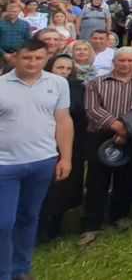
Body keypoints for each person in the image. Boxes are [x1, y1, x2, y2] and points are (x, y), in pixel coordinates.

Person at [0, 40, 72, 279]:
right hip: (5, 165)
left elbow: (63, 121)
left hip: (43, 161)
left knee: (29, 216)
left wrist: (66, 158)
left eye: (38, 58)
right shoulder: (1, 85)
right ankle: (4, 271)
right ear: (16, 57)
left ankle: (22, 267)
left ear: (46, 58)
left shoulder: (58, 83)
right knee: (4, 222)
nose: (32, 63)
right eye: (26, 58)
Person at [79, 47, 132, 247]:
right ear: (114, 62)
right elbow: (92, 109)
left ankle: (119, 215)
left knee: (126, 178)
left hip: (131, 135)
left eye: (130, 61)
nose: (125, 64)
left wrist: (127, 131)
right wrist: (118, 127)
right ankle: (91, 225)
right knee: (96, 182)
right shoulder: (97, 83)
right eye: (121, 61)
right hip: (101, 135)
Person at [36, 55, 87, 242]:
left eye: (67, 68)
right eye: (60, 67)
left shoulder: (78, 88)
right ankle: (39, 228)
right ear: (50, 67)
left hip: (71, 143)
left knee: (64, 187)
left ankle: (56, 226)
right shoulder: (40, 86)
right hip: (43, 143)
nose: (64, 72)